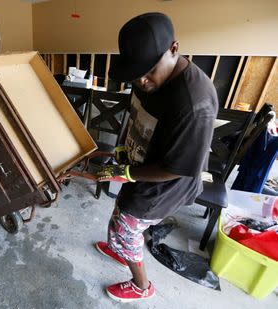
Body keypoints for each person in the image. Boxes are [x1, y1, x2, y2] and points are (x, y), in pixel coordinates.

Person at [93, 13, 218, 303]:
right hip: (140, 167)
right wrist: (126, 154)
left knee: (127, 225)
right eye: (136, 72)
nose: (142, 80)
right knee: (120, 211)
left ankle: (141, 285)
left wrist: (126, 173)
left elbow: (174, 168)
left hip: (167, 182)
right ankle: (121, 248)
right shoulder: (146, 79)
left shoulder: (193, 103)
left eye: (149, 70)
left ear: (174, 49)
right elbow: (139, 115)